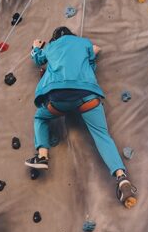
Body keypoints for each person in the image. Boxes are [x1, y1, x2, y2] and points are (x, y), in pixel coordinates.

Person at [24, 26, 137, 207]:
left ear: (54, 38)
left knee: (40, 118)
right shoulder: (84, 43)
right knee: (102, 136)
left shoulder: (51, 47)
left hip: (59, 98)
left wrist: (36, 47)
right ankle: (121, 178)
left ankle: (42, 155)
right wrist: (92, 52)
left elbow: (38, 60)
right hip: (87, 97)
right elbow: (93, 60)